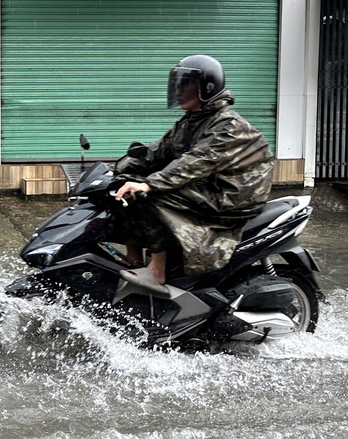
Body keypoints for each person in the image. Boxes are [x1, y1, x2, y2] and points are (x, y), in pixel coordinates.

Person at [112, 54, 273, 297]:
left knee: (149, 195)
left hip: (232, 195)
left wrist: (148, 184)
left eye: (185, 83)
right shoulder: (191, 121)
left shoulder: (227, 125)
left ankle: (157, 269)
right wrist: (115, 171)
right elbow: (155, 152)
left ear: (207, 87)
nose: (178, 90)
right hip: (209, 185)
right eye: (176, 84)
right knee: (124, 189)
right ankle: (134, 258)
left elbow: (195, 162)